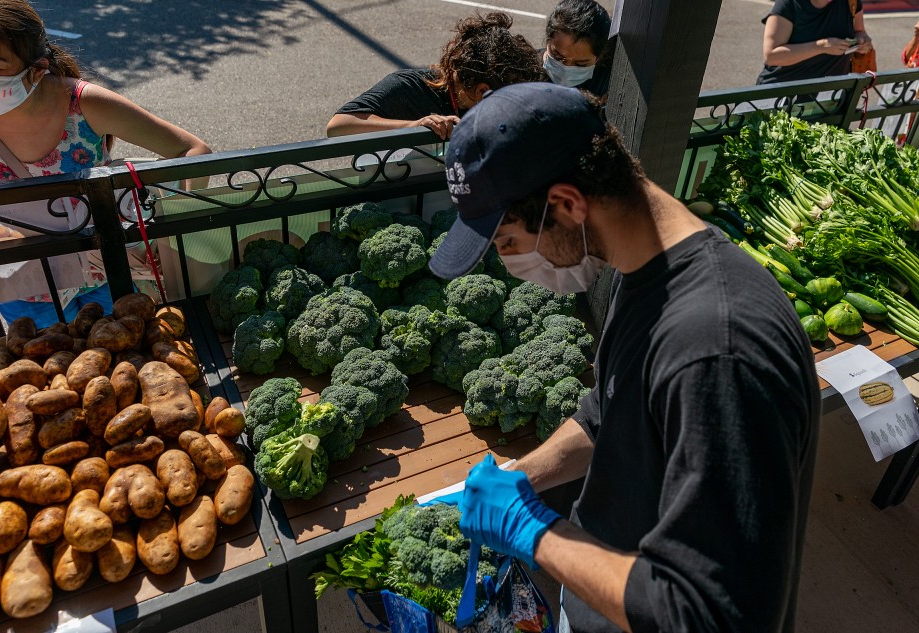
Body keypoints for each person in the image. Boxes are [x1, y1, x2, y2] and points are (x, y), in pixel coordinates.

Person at [429, 83, 820, 632]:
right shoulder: (646, 269)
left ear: (565, 205)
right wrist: (523, 478)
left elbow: (711, 614)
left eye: (508, 244)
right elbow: (609, 410)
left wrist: (532, 531)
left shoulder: (718, 350)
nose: (511, 263)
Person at [0, 0, 211, 327]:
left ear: (36, 71)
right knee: (47, 369)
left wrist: (171, 235)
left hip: (106, 273)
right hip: (23, 285)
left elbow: (192, 151)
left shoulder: (83, 103)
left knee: (124, 356)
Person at [326, 12, 543, 140]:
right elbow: (338, 126)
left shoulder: (511, 83)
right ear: (482, 91)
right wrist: (414, 125)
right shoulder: (409, 86)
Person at [757, 0, 873, 84]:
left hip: (830, 97)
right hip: (784, 98)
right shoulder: (788, 4)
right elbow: (771, 56)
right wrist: (820, 46)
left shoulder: (850, 2)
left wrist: (863, 41)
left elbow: (859, 31)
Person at [542, 0, 613, 97]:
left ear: (599, 57)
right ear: (548, 41)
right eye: (557, 57)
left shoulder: (609, 85)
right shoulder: (525, 70)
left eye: (581, 65)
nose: (566, 70)